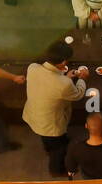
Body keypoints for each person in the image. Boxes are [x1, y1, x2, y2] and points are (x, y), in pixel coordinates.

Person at [22, 41, 89, 177]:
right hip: (51, 125)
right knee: (58, 150)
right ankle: (56, 170)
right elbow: (78, 94)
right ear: (63, 62)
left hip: (33, 115)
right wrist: (82, 78)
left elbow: (48, 83)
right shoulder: (63, 84)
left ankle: (47, 148)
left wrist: (65, 77)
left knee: (47, 140)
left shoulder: (33, 68)